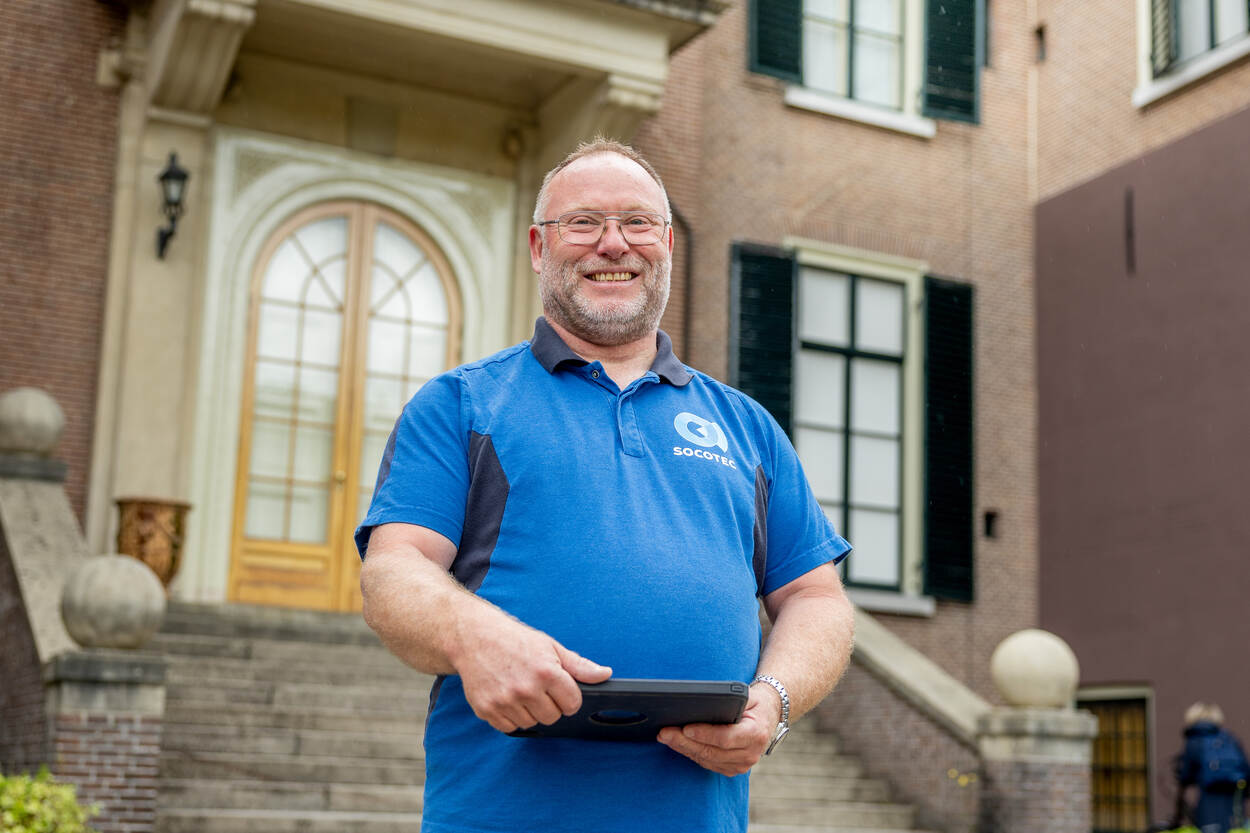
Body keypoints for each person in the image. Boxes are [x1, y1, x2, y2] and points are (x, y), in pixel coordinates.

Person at [355, 138, 855, 833]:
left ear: (668, 244)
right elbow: (393, 570)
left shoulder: (748, 428)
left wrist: (774, 699)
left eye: (637, 223)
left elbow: (816, 597)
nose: (612, 244)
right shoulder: (461, 405)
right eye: (583, 222)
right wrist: (477, 636)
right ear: (538, 246)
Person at [1173, 702, 1250, 833]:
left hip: (1208, 803)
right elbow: (1246, 770)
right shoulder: (1230, 739)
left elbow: (1185, 776)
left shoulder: (1194, 741)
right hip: (1234, 803)